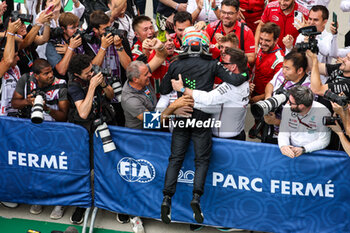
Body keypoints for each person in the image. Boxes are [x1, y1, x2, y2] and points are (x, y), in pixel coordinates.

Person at [159, 27, 248, 225]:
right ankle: (196, 198)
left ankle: (167, 198)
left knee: (175, 159)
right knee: (202, 161)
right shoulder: (213, 64)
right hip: (203, 118)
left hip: (182, 115)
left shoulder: (175, 64)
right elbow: (236, 79)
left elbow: (164, 89)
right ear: (204, 45)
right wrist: (246, 73)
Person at [11, 58, 69, 219]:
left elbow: (63, 116)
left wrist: (46, 108)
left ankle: (60, 202)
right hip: (32, 130)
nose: (51, 75)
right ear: (35, 75)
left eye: (51, 71)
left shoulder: (61, 84)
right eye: (46, 73)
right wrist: (27, 102)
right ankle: (39, 197)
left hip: (55, 132)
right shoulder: (26, 79)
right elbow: (14, 103)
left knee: (56, 167)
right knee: (36, 166)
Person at [67, 54, 114, 225]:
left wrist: (102, 83)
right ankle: (82, 203)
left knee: (108, 166)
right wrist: (92, 86)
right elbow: (83, 112)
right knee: (86, 169)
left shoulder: (94, 76)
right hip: (84, 132)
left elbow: (110, 95)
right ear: (78, 74)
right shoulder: (74, 86)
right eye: (87, 72)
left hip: (104, 125)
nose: (91, 73)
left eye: (91, 69)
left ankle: (111, 202)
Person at [171, 47, 250, 140]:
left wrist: (183, 89)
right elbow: (220, 103)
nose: (221, 66)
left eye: (223, 63)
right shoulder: (244, 81)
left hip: (226, 140)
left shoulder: (231, 87)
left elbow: (208, 99)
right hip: (237, 134)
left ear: (233, 67)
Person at [258, 50, 310, 143]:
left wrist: (276, 121)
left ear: (299, 70)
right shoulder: (283, 73)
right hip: (270, 132)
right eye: (283, 67)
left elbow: (302, 124)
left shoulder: (307, 88)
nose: (283, 71)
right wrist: (268, 98)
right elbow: (270, 84)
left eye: (287, 68)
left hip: (289, 141)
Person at [283, 5, 337, 84]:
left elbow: (327, 52)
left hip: (320, 82)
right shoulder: (303, 34)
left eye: (316, 20)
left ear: (324, 22)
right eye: (310, 19)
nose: (311, 22)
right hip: (301, 81)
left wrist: (311, 35)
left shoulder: (329, 37)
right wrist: (289, 47)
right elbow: (294, 59)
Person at [278, 85, 331, 158]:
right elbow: (283, 132)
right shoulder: (287, 108)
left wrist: (304, 149)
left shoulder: (323, 113)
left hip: (314, 153)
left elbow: (324, 140)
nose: (288, 103)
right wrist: (283, 145)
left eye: (291, 103)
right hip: (292, 151)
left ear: (301, 106)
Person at [206, 0, 255, 65]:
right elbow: (203, 51)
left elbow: (251, 58)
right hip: (215, 70)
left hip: (235, 70)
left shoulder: (246, 31)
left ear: (237, 14)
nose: (226, 16)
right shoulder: (211, 28)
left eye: (230, 13)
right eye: (223, 12)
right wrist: (216, 47)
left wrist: (232, 50)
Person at [251, 22, 284, 103]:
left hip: (265, 99)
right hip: (252, 92)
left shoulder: (280, 60)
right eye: (261, 39)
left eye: (267, 40)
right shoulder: (260, 46)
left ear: (276, 40)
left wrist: (259, 98)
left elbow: (278, 87)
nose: (262, 43)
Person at [45, 12, 83, 81]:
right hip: (63, 83)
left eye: (78, 26)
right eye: (72, 28)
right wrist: (71, 48)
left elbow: (87, 64)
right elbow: (61, 71)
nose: (76, 30)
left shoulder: (81, 39)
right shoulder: (53, 44)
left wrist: (70, 52)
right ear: (63, 29)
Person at [0, 19, 22, 117]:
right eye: (15, 56)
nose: (18, 58)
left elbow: (23, 41)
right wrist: (10, 32)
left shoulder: (16, 68)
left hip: (13, 115)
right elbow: (7, 60)